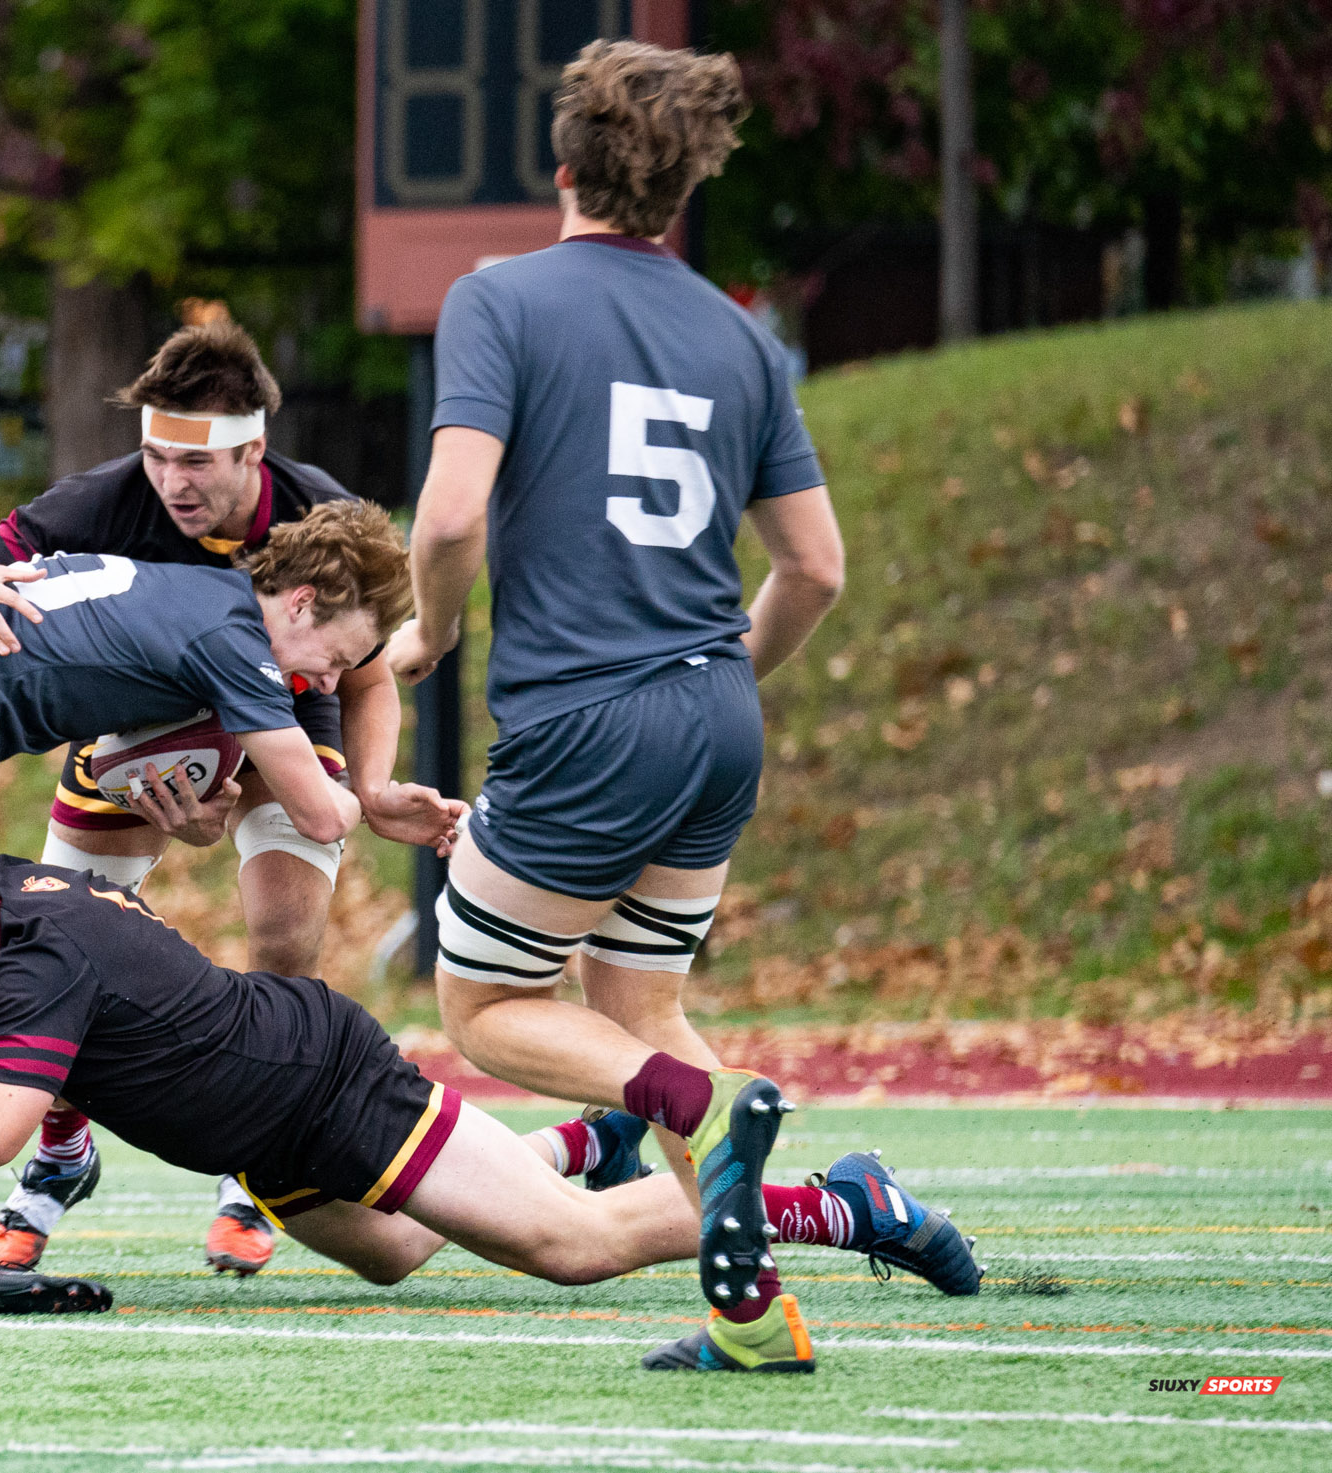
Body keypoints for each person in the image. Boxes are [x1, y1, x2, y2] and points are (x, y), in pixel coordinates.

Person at [384, 40, 981, 1371]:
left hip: (586, 722)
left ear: (562, 169)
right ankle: (754, 1318)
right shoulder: (742, 336)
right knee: (640, 1008)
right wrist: (712, 686)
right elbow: (816, 567)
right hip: (718, 714)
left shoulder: (500, 299)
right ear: (685, 187)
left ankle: (706, 1111)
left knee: (483, 1009)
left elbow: (452, 511)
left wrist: (430, 628)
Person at [0, 853, 980, 1373]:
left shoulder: (39, 974)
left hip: (319, 1087)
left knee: (570, 1247)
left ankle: (840, 1204)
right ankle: (573, 1142)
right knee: (400, 1252)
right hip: (264, 1123)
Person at [0, 502, 455, 1310]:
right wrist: (378, 800)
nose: (326, 683)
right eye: (336, 656)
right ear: (298, 602)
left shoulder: (186, 594)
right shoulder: (234, 634)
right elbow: (321, 815)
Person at [0, 320, 456, 1276]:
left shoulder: (317, 517)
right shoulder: (105, 498)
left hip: (282, 729)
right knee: (47, 947)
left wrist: (366, 785)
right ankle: (62, 1152)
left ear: (256, 451)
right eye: (156, 455)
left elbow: (361, 675)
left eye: (197, 464)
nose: (172, 482)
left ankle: (261, 1164)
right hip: (139, 738)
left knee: (284, 928)